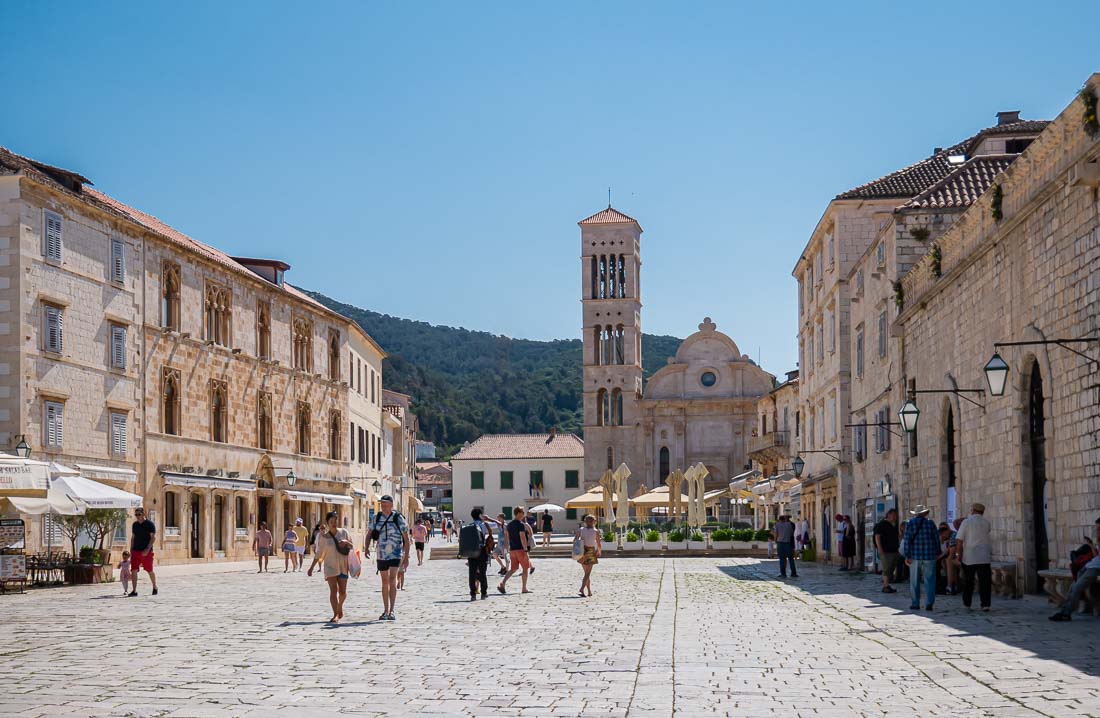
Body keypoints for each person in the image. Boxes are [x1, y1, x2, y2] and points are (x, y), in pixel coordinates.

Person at [364, 495, 410, 621]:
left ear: (391, 505)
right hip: (381, 554)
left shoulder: (398, 518)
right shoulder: (376, 518)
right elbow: (369, 534)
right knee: (384, 582)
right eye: (382, 505)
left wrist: (406, 557)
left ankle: (392, 610)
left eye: (385, 504)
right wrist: (366, 547)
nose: (383, 507)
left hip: (395, 553)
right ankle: (385, 610)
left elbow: (406, 539)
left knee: (392, 579)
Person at [1050, 516, 1100, 621]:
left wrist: (1095, 544)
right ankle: (1064, 611)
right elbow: (1096, 555)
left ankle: (1066, 613)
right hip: (1089, 565)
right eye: (1097, 528)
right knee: (1072, 587)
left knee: (1077, 587)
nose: (1097, 531)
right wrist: (1091, 545)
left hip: (1095, 569)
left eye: (1099, 528)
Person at [307, 511, 353, 624]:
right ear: (327, 523)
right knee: (333, 591)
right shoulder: (324, 537)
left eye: (335, 521)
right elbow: (319, 553)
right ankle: (335, 614)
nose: (334, 523)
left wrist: (346, 542)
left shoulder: (344, 533)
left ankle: (339, 607)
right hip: (330, 566)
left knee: (343, 593)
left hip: (343, 566)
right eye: (331, 521)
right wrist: (311, 567)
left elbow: (352, 546)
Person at [955, 503, 993, 611]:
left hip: (970, 556)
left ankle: (967, 603)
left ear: (973, 510)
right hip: (984, 556)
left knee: (968, 581)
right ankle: (985, 604)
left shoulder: (966, 522)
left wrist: (958, 554)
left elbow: (959, 540)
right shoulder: (986, 523)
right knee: (985, 582)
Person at [902, 505, 940, 611]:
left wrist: (907, 555)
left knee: (914, 581)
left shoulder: (910, 523)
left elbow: (907, 540)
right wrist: (937, 552)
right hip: (929, 555)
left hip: (915, 556)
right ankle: (929, 603)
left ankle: (915, 603)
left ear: (916, 514)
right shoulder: (930, 523)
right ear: (924, 513)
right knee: (930, 580)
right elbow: (936, 539)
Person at [498, 507, 532, 595]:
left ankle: (503, 583)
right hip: (520, 549)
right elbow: (522, 538)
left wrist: (507, 548)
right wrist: (525, 550)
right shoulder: (520, 524)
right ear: (519, 513)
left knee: (513, 569)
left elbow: (507, 537)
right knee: (525, 568)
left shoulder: (509, 525)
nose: (524, 514)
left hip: (512, 550)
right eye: (523, 512)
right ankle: (524, 588)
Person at [128, 507, 158, 597]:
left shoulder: (150, 524)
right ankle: (134, 590)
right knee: (133, 570)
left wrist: (147, 549)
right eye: (136, 514)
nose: (137, 516)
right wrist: (131, 549)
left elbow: (153, 537)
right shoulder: (135, 525)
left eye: (139, 514)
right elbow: (133, 537)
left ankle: (155, 586)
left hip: (146, 551)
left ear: (144, 514)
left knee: (149, 570)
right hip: (135, 551)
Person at [465, 508, 493, 600]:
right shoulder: (484, 525)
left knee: (472, 573)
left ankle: (473, 594)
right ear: (480, 515)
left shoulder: (469, 526)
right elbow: (499, 524)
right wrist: (488, 519)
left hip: (471, 552)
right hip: (482, 551)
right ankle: (483, 593)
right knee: (482, 573)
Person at [873, 509, 900, 593]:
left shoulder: (893, 525)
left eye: (896, 516)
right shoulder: (882, 524)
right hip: (886, 551)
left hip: (893, 550)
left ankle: (887, 584)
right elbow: (877, 537)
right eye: (893, 515)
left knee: (891, 568)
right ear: (888, 515)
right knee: (887, 568)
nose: (895, 517)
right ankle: (885, 586)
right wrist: (880, 549)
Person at [575, 514, 602, 597]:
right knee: (587, 573)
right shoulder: (596, 531)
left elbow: (575, 540)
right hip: (590, 551)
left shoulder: (581, 530)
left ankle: (589, 591)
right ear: (594, 522)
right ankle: (582, 588)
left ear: (585, 522)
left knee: (586, 573)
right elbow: (598, 543)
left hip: (582, 551)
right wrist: (599, 551)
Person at [772, 514, 798, 578]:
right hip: (788, 543)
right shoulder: (789, 525)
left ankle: (783, 574)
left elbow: (776, 534)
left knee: (782, 559)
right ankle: (793, 573)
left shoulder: (777, 525)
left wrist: (775, 541)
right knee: (791, 559)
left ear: (779, 520)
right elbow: (791, 534)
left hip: (780, 543)